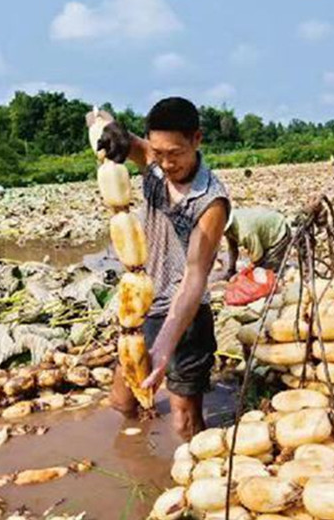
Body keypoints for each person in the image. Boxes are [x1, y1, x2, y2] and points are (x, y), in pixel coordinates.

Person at [90, 97, 230, 440]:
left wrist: (166, 345)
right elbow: (96, 117)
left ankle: (196, 467)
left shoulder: (211, 202)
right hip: (140, 306)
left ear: (197, 139)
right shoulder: (154, 161)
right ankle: (136, 455)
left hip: (186, 318)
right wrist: (109, 128)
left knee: (184, 421)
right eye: (158, 152)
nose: (166, 163)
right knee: (122, 402)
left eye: (175, 153)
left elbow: (195, 277)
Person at [223, 207, 291, 279]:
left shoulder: (245, 232)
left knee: (266, 273)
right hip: (264, 233)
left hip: (279, 230)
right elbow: (232, 249)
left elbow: (257, 257)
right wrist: (231, 270)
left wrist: (245, 272)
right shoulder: (228, 225)